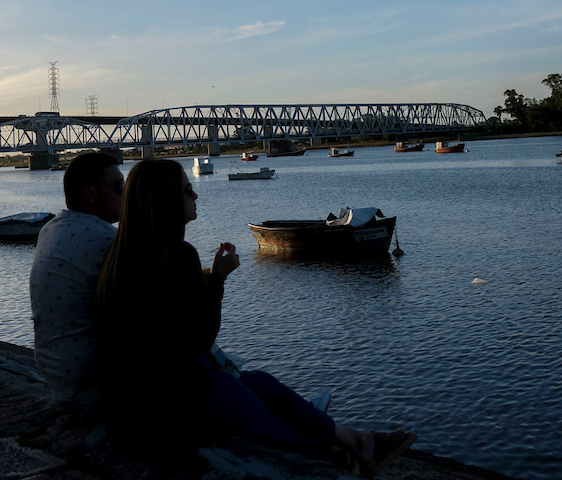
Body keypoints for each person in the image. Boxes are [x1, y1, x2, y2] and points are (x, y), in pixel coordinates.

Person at [94, 159, 415, 474]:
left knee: (261, 384)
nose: (196, 196)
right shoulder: (176, 253)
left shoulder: (119, 254)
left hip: (129, 408)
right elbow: (197, 341)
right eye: (188, 190)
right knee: (262, 415)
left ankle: (358, 442)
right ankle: (340, 453)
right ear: (164, 200)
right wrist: (218, 279)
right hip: (172, 409)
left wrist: (204, 280)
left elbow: (163, 321)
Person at [29, 151, 124, 402]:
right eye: (119, 187)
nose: (125, 194)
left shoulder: (49, 230)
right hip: (94, 383)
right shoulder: (106, 240)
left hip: (56, 375)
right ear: (91, 194)